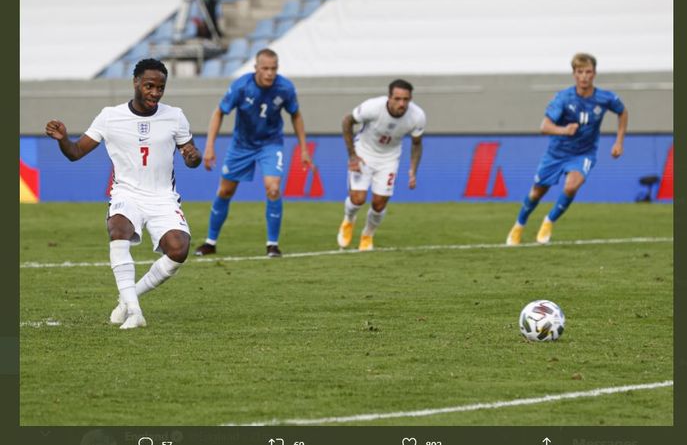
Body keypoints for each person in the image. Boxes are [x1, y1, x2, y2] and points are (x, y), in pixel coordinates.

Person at [45, 59, 202, 329]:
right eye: (149, 86)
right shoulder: (110, 116)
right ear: (136, 83)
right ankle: (135, 312)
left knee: (179, 250)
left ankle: (128, 298)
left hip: (162, 197)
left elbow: (191, 156)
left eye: (160, 88)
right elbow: (75, 153)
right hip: (126, 193)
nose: (155, 93)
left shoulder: (175, 116)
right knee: (118, 230)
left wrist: (193, 157)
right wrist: (63, 140)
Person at [195, 48, 313, 257]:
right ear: (256, 68)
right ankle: (210, 242)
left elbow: (296, 115)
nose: (269, 73)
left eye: (273, 69)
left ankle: (272, 245)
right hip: (242, 145)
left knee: (273, 188)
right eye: (265, 68)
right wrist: (210, 146)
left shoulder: (285, 88)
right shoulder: (241, 86)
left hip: (270, 144)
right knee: (225, 191)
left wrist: (303, 148)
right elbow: (219, 112)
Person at [506, 53, 629, 245]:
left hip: (584, 153)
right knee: (537, 193)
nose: (584, 76)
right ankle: (519, 225)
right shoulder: (563, 98)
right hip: (557, 153)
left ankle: (549, 221)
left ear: (594, 73)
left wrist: (619, 141)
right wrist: (564, 130)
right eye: (580, 72)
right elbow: (544, 126)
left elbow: (622, 112)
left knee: (572, 186)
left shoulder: (605, 98)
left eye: (588, 72)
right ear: (574, 74)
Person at [336, 79, 426, 251]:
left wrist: (413, 170)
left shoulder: (417, 116)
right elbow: (347, 121)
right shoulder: (373, 107)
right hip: (364, 153)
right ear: (389, 97)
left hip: (389, 159)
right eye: (397, 99)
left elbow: (416, 143)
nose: (402, 103)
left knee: (379, 204)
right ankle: (348, 220)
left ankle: (367, 235)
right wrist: (352, 156)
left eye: (406, 99)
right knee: (358, 199)